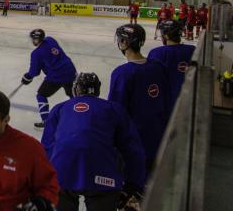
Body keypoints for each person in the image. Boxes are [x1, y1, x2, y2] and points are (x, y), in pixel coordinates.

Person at [42, 73, 146, 211]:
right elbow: (133, 150)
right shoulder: (114, 109)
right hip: (103, 175)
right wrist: (133, 184)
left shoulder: (59, 109)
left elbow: (46, 147)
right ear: (97, 89)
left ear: (76, 89)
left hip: (62, 173)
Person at [109, 24, 172, 176]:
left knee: (134, 183)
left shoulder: (122, 74)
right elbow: (167, 99)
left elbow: (116, 111)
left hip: (134, 141)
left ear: (125, 43)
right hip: (158, 135)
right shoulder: (158, 66)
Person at [20, 29, 77, 129]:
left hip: (56, 75)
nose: (32, 41)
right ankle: (82, 116)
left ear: (37, 40)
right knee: (73, 94)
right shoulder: (51, 40)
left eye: (33, 39)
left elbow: (34, 72)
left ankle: (46, 121)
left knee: (41, 95)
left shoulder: (36, 53)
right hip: (70, 70)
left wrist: (27, 77)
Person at [147, 20, 195, 105]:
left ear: (166, 35)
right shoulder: (192, 49)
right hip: (188, 100)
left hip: (164, 102)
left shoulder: (156, 53)